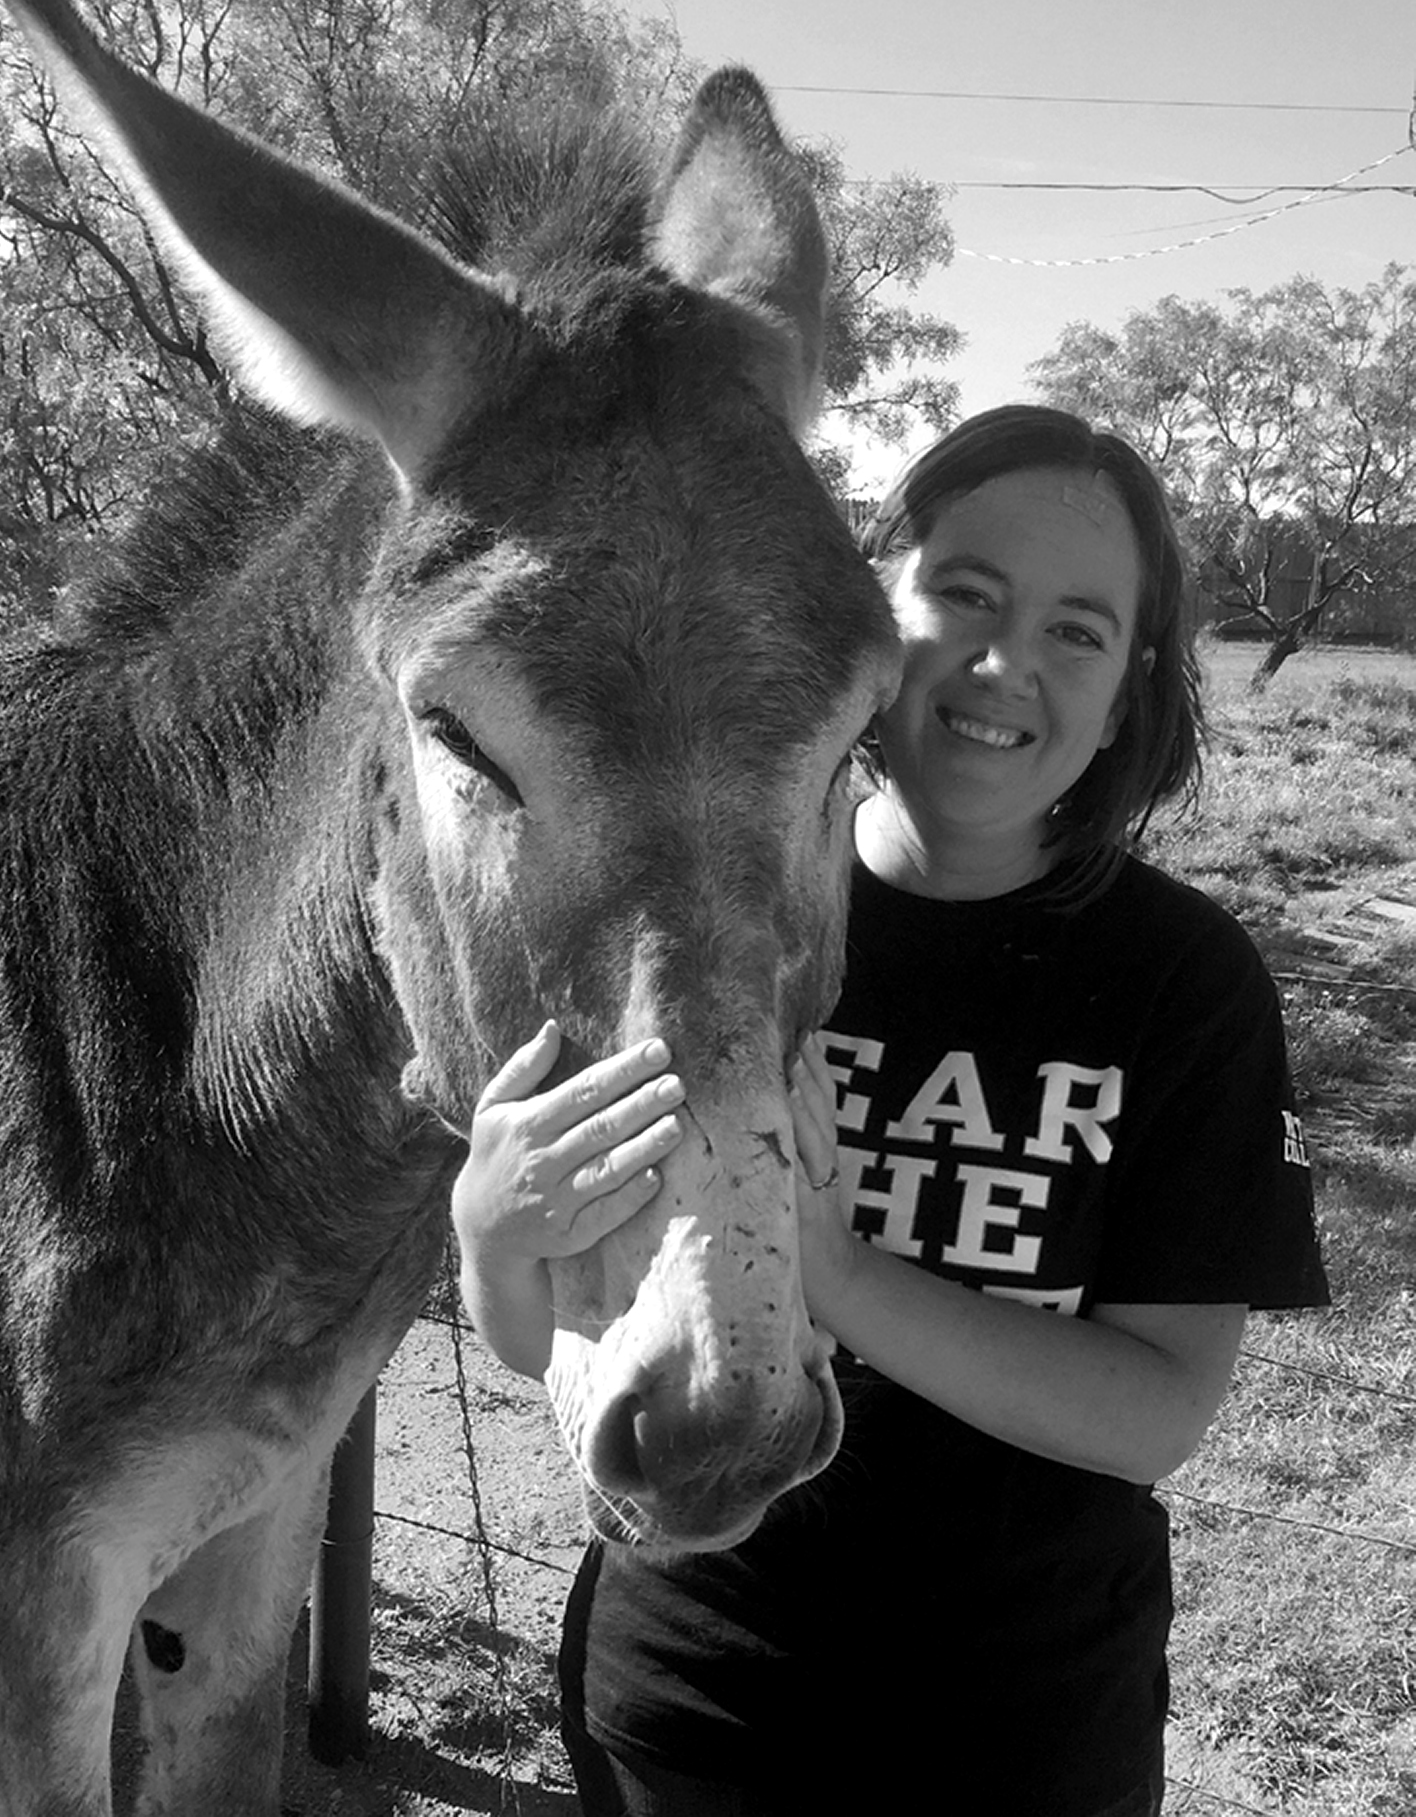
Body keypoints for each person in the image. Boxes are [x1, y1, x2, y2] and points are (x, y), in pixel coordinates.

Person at [451, 405, 1330, 1817]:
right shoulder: (705, 908)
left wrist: (845, 1276)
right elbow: (551, 1332)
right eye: (966, 595)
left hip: (1017, 1734)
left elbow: (1155, 1412)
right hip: (686, 1700)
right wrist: (492, 1235)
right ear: (873, 610)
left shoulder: (1185, 983)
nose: (1005, 663)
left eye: (1078, 630)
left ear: (1131, 684)